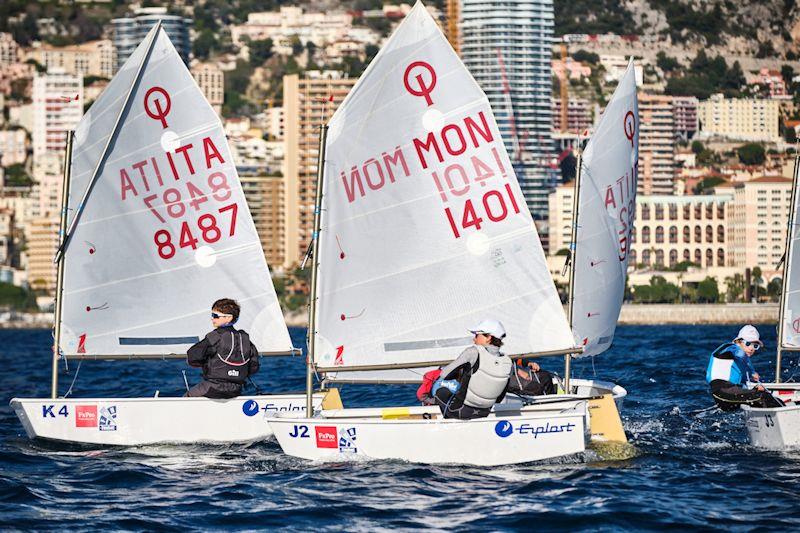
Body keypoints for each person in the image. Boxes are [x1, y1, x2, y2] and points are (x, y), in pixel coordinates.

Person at [433, 318, 513, 420]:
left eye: (476, 335)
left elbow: (444, 375)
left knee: (440, 391)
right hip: (484, 413)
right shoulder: (508, 362)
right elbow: (500, 398)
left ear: (488, 337)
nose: (474, 339)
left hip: (459, 411)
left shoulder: (473, 352)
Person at [185, 298, 260, 399]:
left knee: (187, 397)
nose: (212, 318)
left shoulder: (214, 337)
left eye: (215, 316)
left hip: (212, 388)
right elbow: (254, 367)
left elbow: (192, 357)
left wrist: (206, 363)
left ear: (228, 318)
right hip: (236, 390)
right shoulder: (246, 340)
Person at [706, 324, 783, 411]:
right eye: (748, 343)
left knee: (764, 395)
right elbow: (740, 354)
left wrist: (754, 390)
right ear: (739, 342)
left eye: (755, 346)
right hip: (721, 390)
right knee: (762, 396)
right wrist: (752, 372)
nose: (751, 348)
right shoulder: (729, 348)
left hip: (729, 394)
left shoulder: (740, 363)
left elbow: (742, 387)